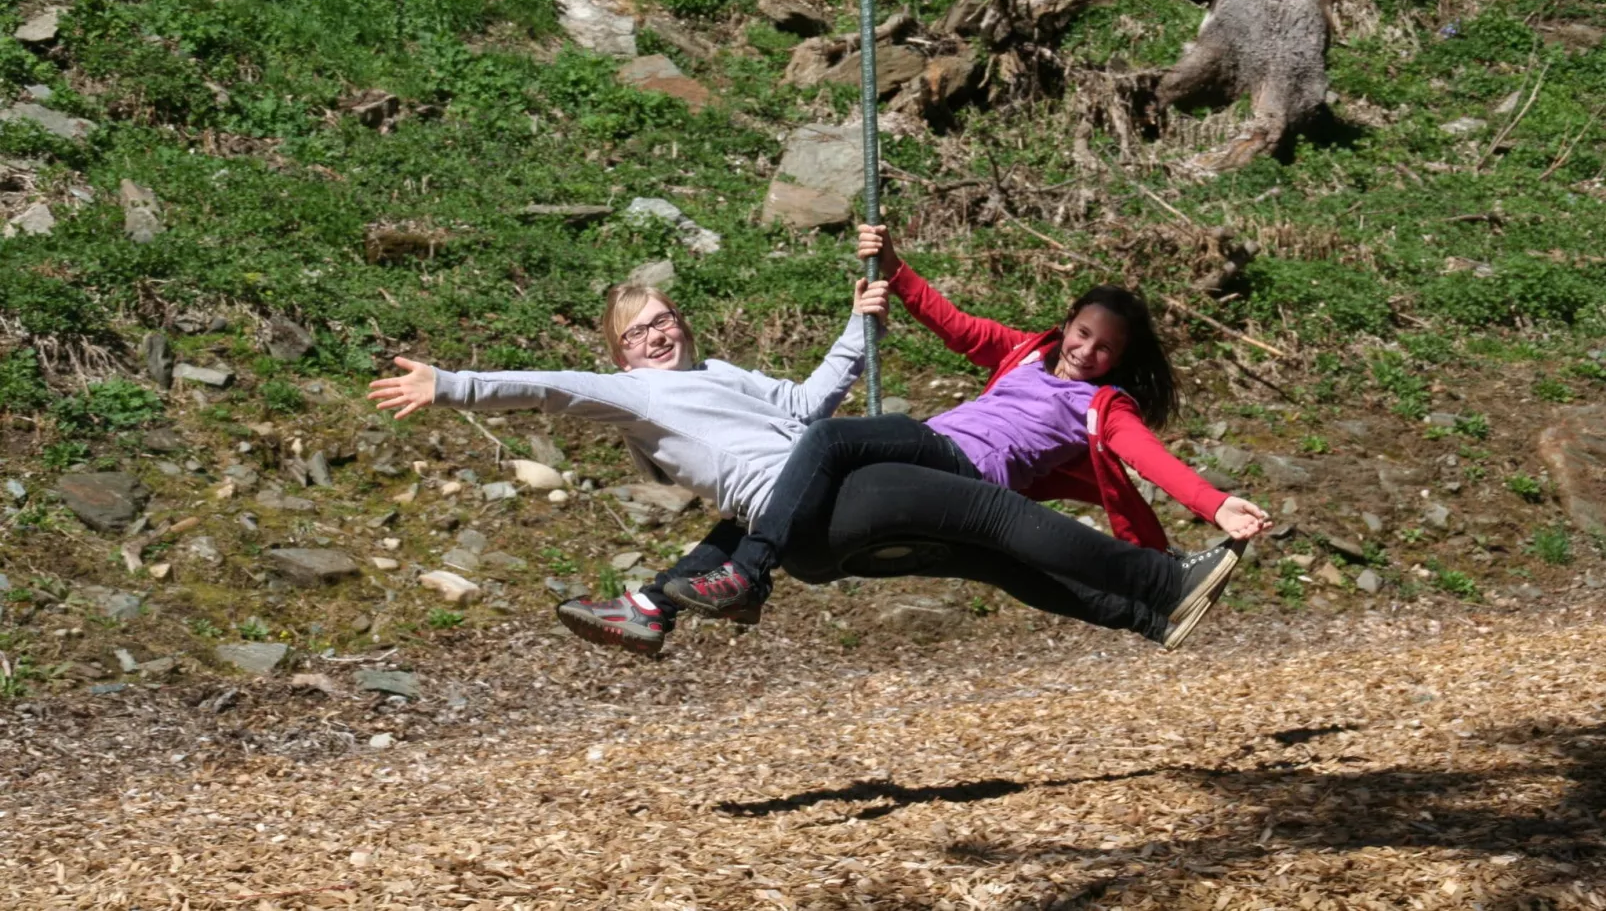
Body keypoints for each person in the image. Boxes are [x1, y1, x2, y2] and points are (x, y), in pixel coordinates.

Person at [369, 277, 1244, 656]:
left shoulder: (715, 376)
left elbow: (803, 404)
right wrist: (452, 385)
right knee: (988, 518)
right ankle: (1160, 583)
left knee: (986, 555)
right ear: (620, 351)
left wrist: (862, 322)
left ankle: (1142, 617)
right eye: (640, 330)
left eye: (667, 317)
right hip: (824, 511)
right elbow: (549, 389)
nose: (660, 333)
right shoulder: (627, 392)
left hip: (818, 528)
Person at [660, 222, 1270, 638]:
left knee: (825, 441)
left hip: (962, 467)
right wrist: (894, 270)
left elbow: (1150, 459)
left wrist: (1214, 505)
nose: (1087, 352)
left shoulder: (1103, 404)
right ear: (1067, 325)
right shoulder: (1027, 353)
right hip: (934, 469)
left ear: (1120, 359)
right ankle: (1152, 618)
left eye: (1106, 348)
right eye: (1083, 334)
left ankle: (748, 574)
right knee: (1006, 569)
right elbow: (955, 325)